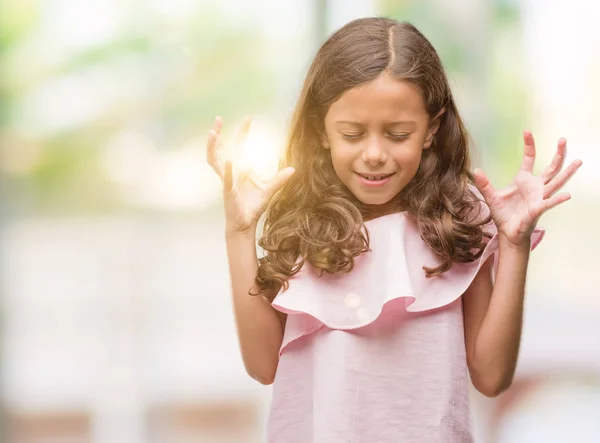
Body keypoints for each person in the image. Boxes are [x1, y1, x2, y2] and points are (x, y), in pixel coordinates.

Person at [206, 17, 582, 443]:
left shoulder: (458, 221)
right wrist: (239, 232)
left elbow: (491, 376)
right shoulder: (304, 223)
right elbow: (262, 365)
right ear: (322, 131)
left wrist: (514, 247)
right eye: (352, 133)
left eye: (398, 134)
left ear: (432, 129)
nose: (374, 154)